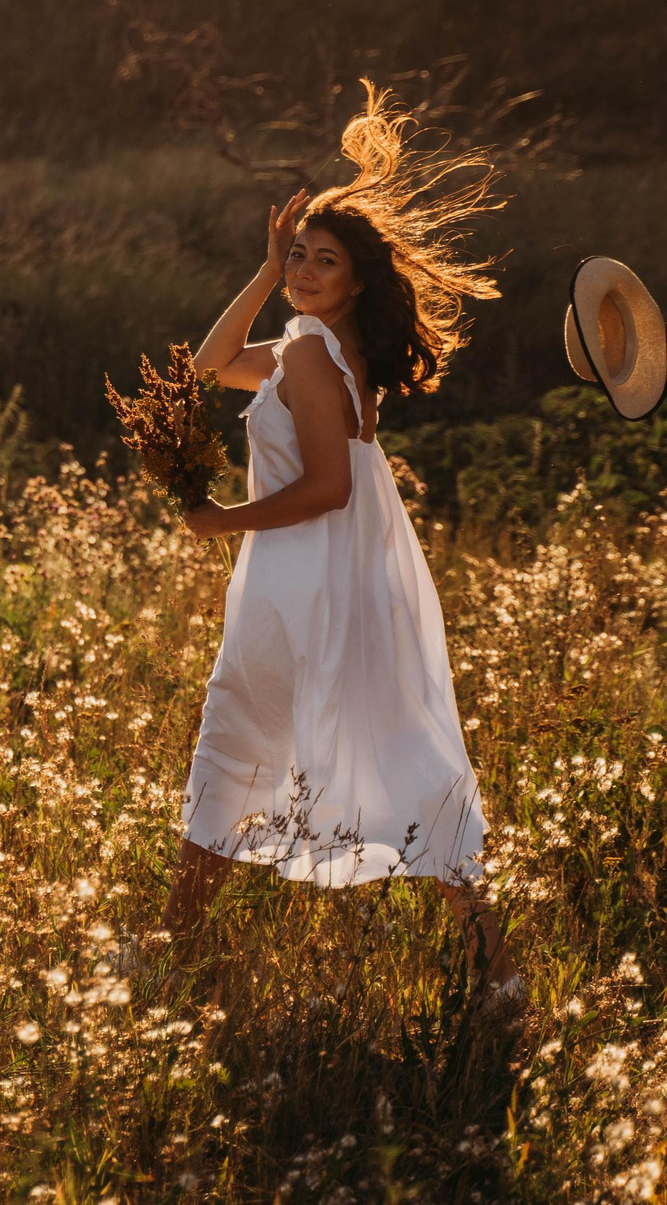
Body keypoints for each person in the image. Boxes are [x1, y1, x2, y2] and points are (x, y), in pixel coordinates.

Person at [161, 86, 520, 998]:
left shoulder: (314, 352)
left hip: (306, 578)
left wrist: (218, 523)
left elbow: (323, 488)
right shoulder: (320, 348)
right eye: (299, 258)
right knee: (382, 748)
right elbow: (208, 364)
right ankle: (495, 968)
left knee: (236, 745)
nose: (306, 271)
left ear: (357, 278)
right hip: (335, 576)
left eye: (324, 260)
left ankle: (171, 952)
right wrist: (264, 266)